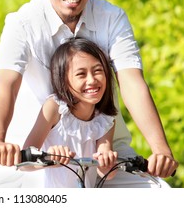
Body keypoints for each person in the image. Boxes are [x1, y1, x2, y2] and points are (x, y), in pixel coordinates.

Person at [0, 0, 178, 188]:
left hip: (104, 154)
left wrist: (161, 149)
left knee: (161, 194)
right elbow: (6, 84)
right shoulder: (22, 23)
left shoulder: (112, 17)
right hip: (29, 153)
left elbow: (132, 82)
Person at [22, 37, 118, 187]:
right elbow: (24, 162)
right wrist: (49, 159)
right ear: (64, 80)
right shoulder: (54, 108)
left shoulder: (105, 120)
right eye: (81, 74)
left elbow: (107, 172)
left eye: (98, 71)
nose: (92, 80)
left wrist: (107, 163)